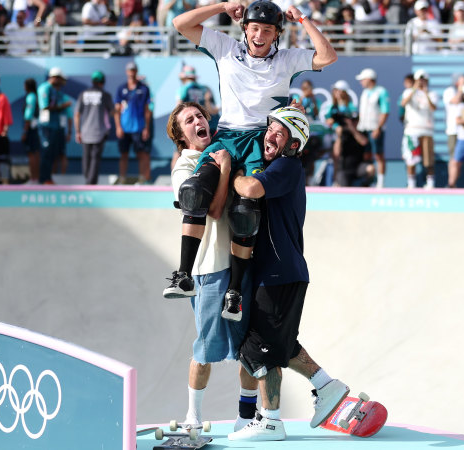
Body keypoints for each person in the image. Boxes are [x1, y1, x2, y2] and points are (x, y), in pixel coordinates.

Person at [166, 0, 337, 322]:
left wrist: (301, 17)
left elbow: (327, 56)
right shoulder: (225, 48)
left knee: (246, 211)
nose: (260, 35)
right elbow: (181, 24)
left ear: (277, 34)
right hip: (227, 136)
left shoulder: (287, 59)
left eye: (268, 31)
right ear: (245, 28)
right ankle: (183, 274)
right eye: (255, 28)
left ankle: (233, 293)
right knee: (194, 192)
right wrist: (223, 6)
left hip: (261, 140)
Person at [227, 106, 350, 441]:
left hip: (279, 274)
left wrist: (231, 172)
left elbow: (250, 189)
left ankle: (270, 421)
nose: (270, 135)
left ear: (294, 145)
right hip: (283, 273)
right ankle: (327, 386)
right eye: (270, 129)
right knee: (282, 346)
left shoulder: (286, 166)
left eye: (280, 133)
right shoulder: (281, 165)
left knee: (260, 348)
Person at [167, 101, 260, 432]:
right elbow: (214, 212)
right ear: (181, 136)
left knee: (248, 348)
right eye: (189, 120)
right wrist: (223, 171)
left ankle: (246, 418)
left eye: (200, 116)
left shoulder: (225, 150)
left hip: (239, 265)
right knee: (206, 348)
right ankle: (193, 415)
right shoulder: (184, 166)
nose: (198, 121)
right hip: (207, 271)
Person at [114, 62, 152, 184]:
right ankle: (122, 178)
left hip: (139, 127)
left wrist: (146, 127)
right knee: (123, 154)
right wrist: (118, 127)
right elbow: (117, 110)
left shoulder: (144, 88)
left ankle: (142, 179)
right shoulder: (121, 88)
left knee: (141, 154)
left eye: (133, 70)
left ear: (136, 71)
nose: (131, 72)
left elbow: (147, 110)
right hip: (124, 128)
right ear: (126, 72)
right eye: (129, 70)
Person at [400, 69, 438, 189]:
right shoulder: (408, 92)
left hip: (427, 130)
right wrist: (414, 89)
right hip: (412, 131)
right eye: (419, 80)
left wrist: (425, 92)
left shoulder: (432, 93)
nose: (421, 82)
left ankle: (430, 183)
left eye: (423, 80)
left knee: (429, 160)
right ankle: (411, 184)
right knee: (411, 159)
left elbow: (433, 108)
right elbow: (403, 103)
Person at [75, 71, 114, 185]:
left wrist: (78, 131)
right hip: (99, 132)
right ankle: (90, 183)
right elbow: (112, 112)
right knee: (95, 158)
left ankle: (88, 179)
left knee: (86, 158)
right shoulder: (105, 95)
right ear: (102, 82)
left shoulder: (83, 94)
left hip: (85, 132)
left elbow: (77, 114)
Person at [355, 68, 389, 188]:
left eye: (363, 79)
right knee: (366, 155)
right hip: (364, 128)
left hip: (375, 128)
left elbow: (385, 112)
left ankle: (381, 182)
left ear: (369, 79)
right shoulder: (364, 93)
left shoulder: (381, 92)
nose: (361, 82)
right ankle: (369, 180)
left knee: (378, 155)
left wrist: (378, 128)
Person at [37, 67, 70, 185]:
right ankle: (43, 178)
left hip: (54, 127)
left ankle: (48, 177)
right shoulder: (45, 88)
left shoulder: (55, 90)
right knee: (46, 152)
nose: (61, 82)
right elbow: (45, 106)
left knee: (52, 153)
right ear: (55, 77)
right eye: (60, 79)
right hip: (46, 127)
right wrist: (62, 106)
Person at [443, 73, 464, 183]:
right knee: (454, 159)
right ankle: (451, 183)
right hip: (453, 131)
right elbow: (456, 100)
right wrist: (461, 87)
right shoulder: (449, 91)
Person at [22, 78, 41, 184]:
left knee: (32, 154)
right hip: (35, 129)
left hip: (31, 130)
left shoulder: (31, 97)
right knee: (35, 153)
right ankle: (35, 177)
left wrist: (25, 131)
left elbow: (28, 116)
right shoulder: (36, 96)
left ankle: (34, 178)